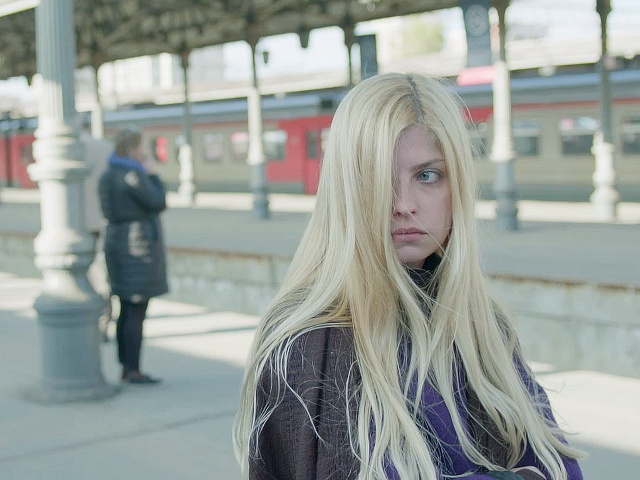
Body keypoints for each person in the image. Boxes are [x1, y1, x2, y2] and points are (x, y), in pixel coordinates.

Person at [233, 73, 584, 480]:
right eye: (378, 177)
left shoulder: (483, 326)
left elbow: (560, 465)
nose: (403, 204)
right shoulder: (314, 340)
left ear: (457, 186)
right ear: (346, 190)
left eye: (427, 176)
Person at [98, 127, 168, 385]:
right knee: (136, 309)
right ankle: (133, 370)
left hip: (117, 243)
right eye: (143, 147)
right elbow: (158, 201)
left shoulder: (108, 173)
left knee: (126, 309)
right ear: (134, 149)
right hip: (137, 246)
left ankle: (126, 367)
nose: (146, 151)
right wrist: (153, 174)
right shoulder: (133, 174)